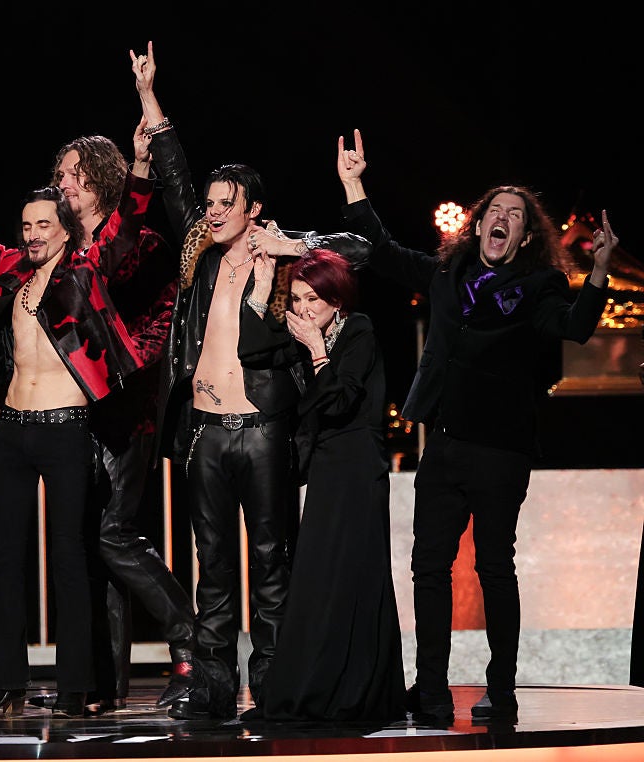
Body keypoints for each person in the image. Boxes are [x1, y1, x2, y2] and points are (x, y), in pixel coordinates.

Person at [336, 128, 616, 723]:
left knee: (494, 568)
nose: (503, 219)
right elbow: (383, 252)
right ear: (479, 222)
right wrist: (354, 186)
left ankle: (502, 691)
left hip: (501, 449)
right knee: (429, 567)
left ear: (525, 236)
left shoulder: (538, 285)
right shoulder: (447, 274)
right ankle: (432, 690)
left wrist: (598, 271)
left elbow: (574, 327)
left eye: (515, 215)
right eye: (495, 211)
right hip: (446, 443)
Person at [131, 41, 372, 720]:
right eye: (209, 203)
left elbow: (361, 252)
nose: (211, 212)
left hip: (264, 430)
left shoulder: (284, 259)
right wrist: (149, 97)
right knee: (212, 566)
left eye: (225, 204)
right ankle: (211, 686)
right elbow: (173, 177)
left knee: (271, 563)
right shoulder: (200, 258)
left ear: (254, 210)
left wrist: (293, 246)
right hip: (206, 433)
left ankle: (273, 682)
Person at [0, 118, 154, 718]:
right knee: (4, 558)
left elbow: (127, 224)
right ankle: (2, 684)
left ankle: (74, 689)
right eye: (27, 226)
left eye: (44, 224)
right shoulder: (11, 269)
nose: (34, 234)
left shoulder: (86, 268)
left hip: (67, 427)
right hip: (14, 428)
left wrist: (141, 164)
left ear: (65, 228)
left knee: (70, 557)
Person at [20, 135, 196, 714]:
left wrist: (123, 373)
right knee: (93, 545)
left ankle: (191, 647)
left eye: (74, 173)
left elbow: (163, 321)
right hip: (76, 411)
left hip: (127, 407)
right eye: (61, 173)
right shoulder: (65, 249)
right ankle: (104, 681)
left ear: (101, 178)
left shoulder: (141, 241)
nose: (64, 182)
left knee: (113, 533)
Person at [241, 245, 407, 723]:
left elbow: (339, 402)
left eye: (313, 298)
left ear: (336, 299)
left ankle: (355, 692)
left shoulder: (358, 330)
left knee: (352, 575)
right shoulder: (303, 331)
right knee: (316, 578)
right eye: (296, 299)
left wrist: (316, 349)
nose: (303, 308)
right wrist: (262, 289)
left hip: (357, 467)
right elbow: (251, 349)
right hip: (327, 467)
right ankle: (308, 689)